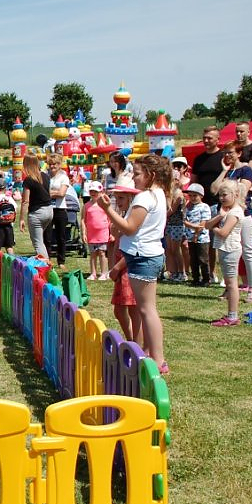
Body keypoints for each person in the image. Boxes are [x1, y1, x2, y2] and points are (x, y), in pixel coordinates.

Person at [92, 154, 170, 372]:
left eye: (137, 174)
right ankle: (151, 353)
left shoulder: (145, 197)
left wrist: (107, 210)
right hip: (148, 254)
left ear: (150, 175)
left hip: (142, 256)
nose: (133, 178)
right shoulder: (159, 194)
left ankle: (158, 359)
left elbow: (130, 227)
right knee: (147, 309)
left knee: (147, 310)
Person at [213, 142, 252, 302]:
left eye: (230, 152)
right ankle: (229, 288)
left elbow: (242, 192)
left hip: (244, 215)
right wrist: (223, 171)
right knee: (227, 250)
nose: (227, 156)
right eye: (225, 153)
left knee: (248, 251)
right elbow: (214, 189)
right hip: (227, 216)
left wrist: (230, 186)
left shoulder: (246, 170)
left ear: (239, 153)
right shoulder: (227, 172)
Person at [204, 180, 246, 327]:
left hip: (230, 250)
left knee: (231, 284)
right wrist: (220, 216)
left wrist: (215, 228)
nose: (221, 198)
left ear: (235, 194)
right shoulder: (226, 211)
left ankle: (232, 316)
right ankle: (231, 314)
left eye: (225, 195)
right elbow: (207, 225)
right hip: (225, 249)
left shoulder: (235, 212)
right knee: (229, 283)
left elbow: (223, 232)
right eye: (220, 195)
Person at [107, 181, 141, 344]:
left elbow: (134, 248)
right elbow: (116, 244)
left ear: (130, 198)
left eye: (121, 198)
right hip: (121, 266)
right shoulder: (123, 216)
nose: (118, 201)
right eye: (116, 198)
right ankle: (132, 341)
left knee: (133, 309)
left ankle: (136, 344)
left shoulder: (133, 217)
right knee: (120, 310)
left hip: (128, 266)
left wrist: (117, 267)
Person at [190, 126, 224, 284]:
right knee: (204, 241)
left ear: (218, 139)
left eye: (210, 138)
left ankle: (214, 272)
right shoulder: (199, 159)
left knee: (216, 241)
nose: (206, 140)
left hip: (217, 204)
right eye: (204, 138)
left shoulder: (223, 158)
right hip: (201, 205)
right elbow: (193, 181)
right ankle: (206, 272)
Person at [19, 154, 53, 259]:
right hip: (49, 210)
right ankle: (45, 262)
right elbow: (48, 193)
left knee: (38, 243)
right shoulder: (45, 176)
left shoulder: (29, 180)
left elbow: (25, 201)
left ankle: (45, 265)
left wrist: (21, 219)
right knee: (41, 241)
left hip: (37, 213)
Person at [183, 183, 212, 287]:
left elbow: (203, 223)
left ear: (201, 196)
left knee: (203, 259)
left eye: (195, 195)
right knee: (193, 259)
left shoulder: (204, 207)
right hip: (190, 237)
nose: (192, 198)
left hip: (202, 238)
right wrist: (192, 227)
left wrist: (196, 234)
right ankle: (195, 278)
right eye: (190, 195)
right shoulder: (188, 207)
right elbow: (184, 220)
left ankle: (206, 279)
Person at [45, 154, 71, 270]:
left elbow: (61, 193)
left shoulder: (64, 177)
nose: (52, 166)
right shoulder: (45, 177)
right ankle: (47, 259)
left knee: (61, 237)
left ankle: (61, 261)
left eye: (54, 164)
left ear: (59, 165)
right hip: (48, 208)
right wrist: (53, 193)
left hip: (60, 209)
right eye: (50, 164)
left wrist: (49, 193)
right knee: (47, 236)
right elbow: (42, 192)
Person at [82, 180, 110, 280]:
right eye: (91, 191)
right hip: (91, 234)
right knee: (93, 254)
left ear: (101, 192)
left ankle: (103, 273)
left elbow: (109, 219)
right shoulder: (86, 205)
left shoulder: (104, 205)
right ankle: (93, 273)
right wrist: (84, 233)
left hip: (103, 233)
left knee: (102, 253)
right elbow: (83, 220)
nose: (93, 193)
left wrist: (111, 233)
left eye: (95, 192)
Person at [234, 121, 252, 214]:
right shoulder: (233, 147)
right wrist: (245, 164)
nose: (239, 134)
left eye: (242, 131)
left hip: (251, 189)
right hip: (234, 188)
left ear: (248, 132)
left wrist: (237, 164)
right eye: (237, 131)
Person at [0, 178, 16, 253]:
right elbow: (15, 209)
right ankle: (12, 259)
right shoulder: (9, 198)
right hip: (9, 225)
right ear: (5, 187)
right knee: (9, 247)